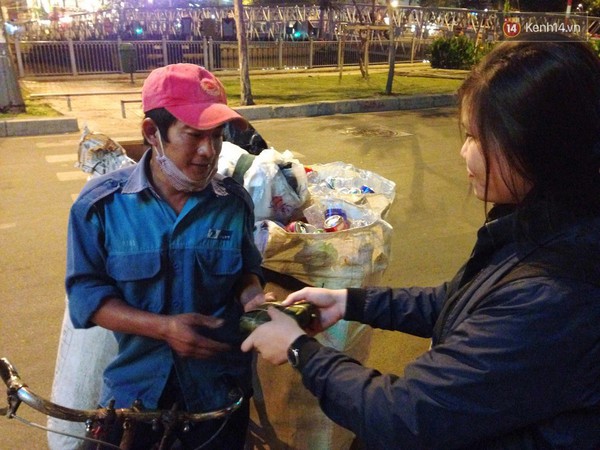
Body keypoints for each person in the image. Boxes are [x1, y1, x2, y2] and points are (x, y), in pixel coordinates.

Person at [241, 35, 600, 449]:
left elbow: (403, 414)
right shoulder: (544, 224)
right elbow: (458, 301)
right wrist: (349, 302)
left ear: (536, 147)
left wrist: (299, 349)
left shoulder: (556, 293)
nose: (464, 153)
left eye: (477, 138)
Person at [66, 63, 270, 449]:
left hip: (219, 395)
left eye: (218, 136)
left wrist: (253, 298)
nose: (209, 151)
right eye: (193, 135)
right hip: (135, 397)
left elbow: (246, 270)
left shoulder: (234, 202)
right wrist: (163, 328)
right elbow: (85, 296)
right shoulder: (100, 207)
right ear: (151, 133)